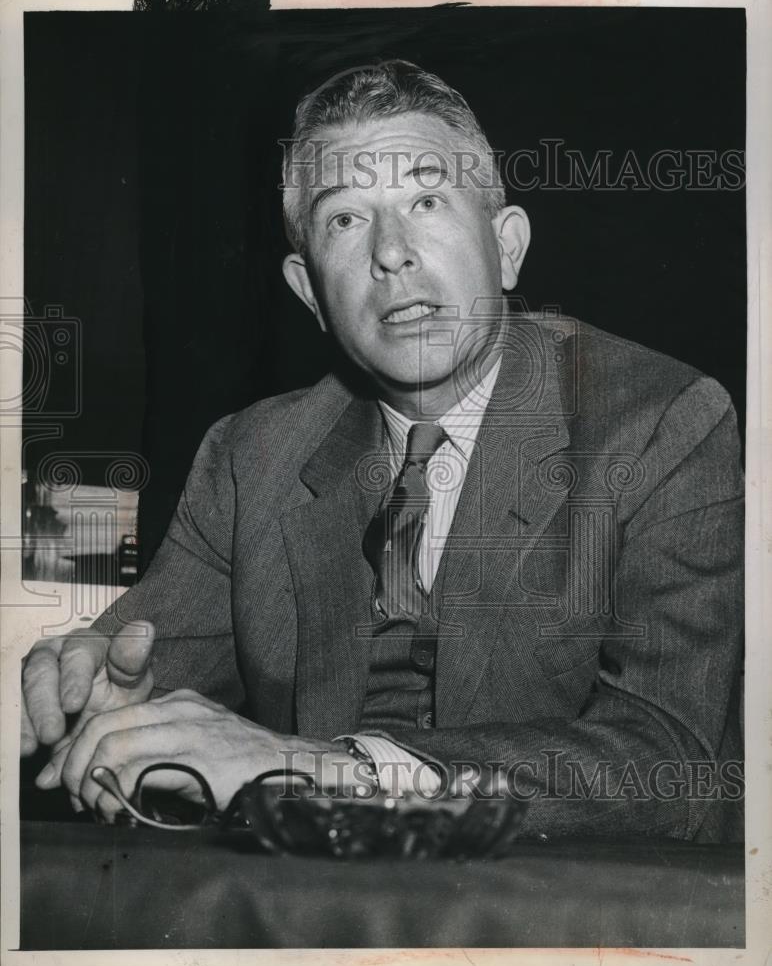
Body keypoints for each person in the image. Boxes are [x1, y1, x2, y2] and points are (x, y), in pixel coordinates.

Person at [20, 60, 744, 840]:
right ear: (309, 293)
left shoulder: (662, 422)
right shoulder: (250, 454)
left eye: (427, 200)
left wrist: (334, 772)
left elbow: (674, 760)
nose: (391, 252)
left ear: (506, 249)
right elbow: (144, 670)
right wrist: (93, 698)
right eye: (345, 220)